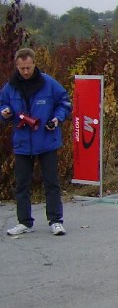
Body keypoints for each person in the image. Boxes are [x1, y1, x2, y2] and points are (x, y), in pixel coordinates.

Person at [0, 48, 72, 235]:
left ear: (34, 64)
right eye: (22, 68)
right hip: (23, 143)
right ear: (17, 66)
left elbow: (64, 102)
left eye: (28, 68)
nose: (25, 72)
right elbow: (3, 105)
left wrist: (57, 119)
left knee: (51, 182)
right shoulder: (10, 87)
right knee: (22, 184)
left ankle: (55, 220)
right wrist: (5, 112)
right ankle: (24, 222)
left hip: (47, 140)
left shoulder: (48, 83)